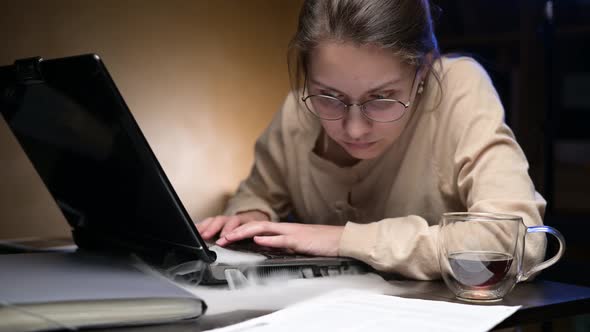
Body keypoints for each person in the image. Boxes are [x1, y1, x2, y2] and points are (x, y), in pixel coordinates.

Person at [197, 0, 546, 280]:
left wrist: (343, 239)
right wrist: (250, 219)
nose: (354, 129)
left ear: (423, 71)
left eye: (382, 99)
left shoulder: (459, 87)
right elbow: (257, 192)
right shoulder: (298, 111)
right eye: (329, 96)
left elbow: (517, 241)